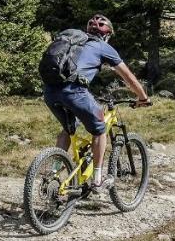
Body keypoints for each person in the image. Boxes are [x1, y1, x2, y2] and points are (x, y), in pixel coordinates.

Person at [41, 14, 151, 189]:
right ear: (107, 35)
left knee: (68, 129)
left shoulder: (73, 40)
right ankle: (97, 179)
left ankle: (53, 173)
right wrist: (143, 97)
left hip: (50, 90)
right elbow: (128, 77)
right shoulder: (103, 46)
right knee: (99, 130)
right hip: (75, 91)